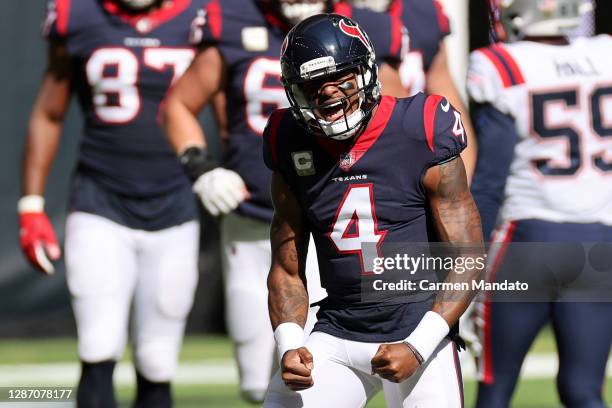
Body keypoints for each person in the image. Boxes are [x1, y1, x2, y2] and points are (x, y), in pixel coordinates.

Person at [162, 0, 407, 402]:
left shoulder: (368, 28)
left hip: (336, 224)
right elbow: (179, 105)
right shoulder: (230, 20)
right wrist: (200, 166)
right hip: (256, 219)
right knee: (260, 382)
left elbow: (395, 124)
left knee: (332, 372)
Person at [261, 13, 483, 407]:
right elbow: (287, 267)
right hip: (337, 330)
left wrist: (419, 345)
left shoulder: (422, 126)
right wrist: (290, 343)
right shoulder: (289, 140)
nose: (328, 95)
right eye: (313, 85)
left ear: (366, 72)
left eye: (340, 79)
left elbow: (467, 257)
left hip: (417, 328)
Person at [18, 0, 203, 406]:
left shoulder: (200, 17)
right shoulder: (78, 14)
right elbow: (49, 113)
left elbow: (228, 103)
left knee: (158, 358)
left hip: (175, 201)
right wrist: (31, 206)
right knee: (98, 342)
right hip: (100, 198)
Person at [467, 0, 612, 406]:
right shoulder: (605, 53)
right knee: (584, 392)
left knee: (495, 391)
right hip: (600, 244)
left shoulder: (501, 65)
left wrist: (463, 259)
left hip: (528, 240)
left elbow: (490, 180)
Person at [349, 0, 478, 181]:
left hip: (419, 155)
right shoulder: (338, 20)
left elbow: (449, 102)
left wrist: (461, 182)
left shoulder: (424, 11)